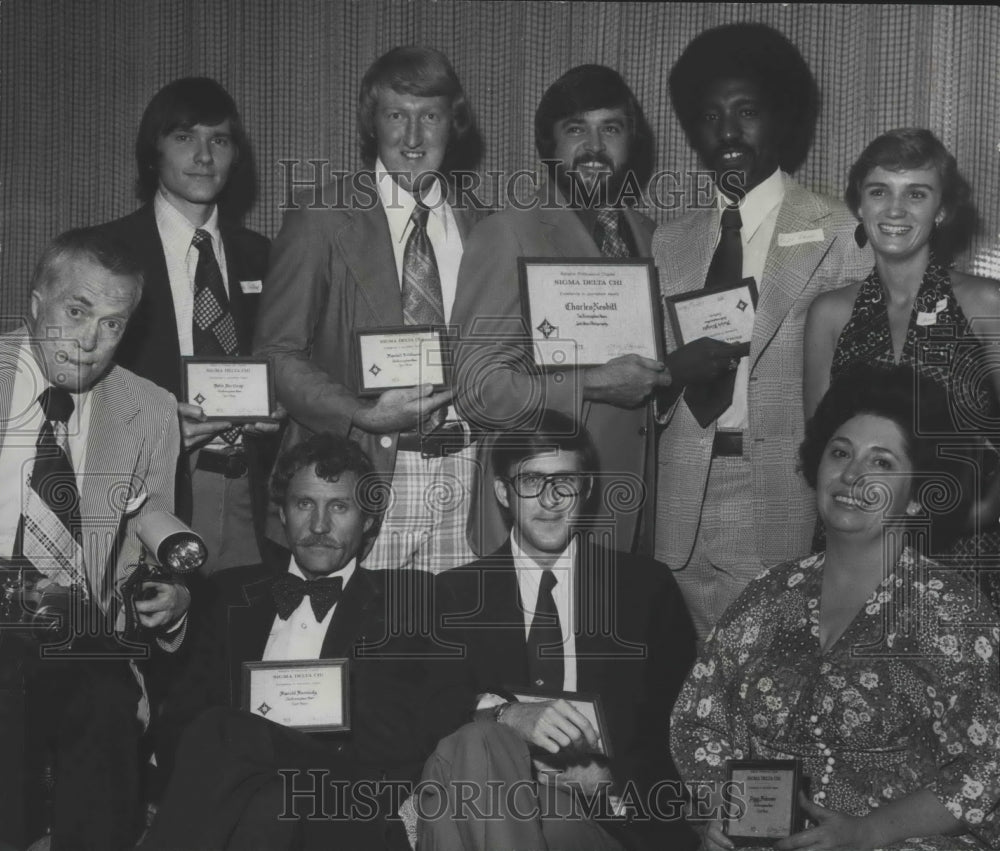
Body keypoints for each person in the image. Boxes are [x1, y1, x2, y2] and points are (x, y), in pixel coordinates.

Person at [671, 365, 1000, 851]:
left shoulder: (953, 612)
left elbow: (989, 766)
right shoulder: (769, 593)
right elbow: (699, 719)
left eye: (882, 463)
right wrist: (728, 808)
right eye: (841, 452)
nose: (852, 475)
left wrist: (867, 832)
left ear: (917, 497)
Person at [140, 433, 473, 850]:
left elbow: (443, 724)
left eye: (339, 507)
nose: (319, 526)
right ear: (281, 512)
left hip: (355, 798)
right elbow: (179, 725)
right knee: (270, 800)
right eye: (304, 504)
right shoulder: (229, 594)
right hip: (253, 794)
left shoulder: (413, 598)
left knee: (228, 731)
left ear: (369, 519)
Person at [653, 23, 872, 640]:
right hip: (680, 505)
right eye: (710, 115)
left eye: (747, 112)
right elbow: (649, 376)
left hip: (781, 499)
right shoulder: (669, 242)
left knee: (767, 689)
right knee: (692, 693)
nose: (727, 133)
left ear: (783, 117)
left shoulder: (841, 234)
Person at [418, 410, 698, 851]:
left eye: (564, 482)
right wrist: (508, 715)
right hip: (494, 797)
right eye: (531, 482)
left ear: (585, 490)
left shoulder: (645, 589)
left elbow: (683, 723)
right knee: (478, 740)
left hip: (609, 819)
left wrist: (609, 783)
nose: (550, 500)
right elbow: (429, 710)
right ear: (502, 492)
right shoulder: (453, 594)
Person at [254, 46, 484, 573]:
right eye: (395, 115)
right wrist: (360, 413)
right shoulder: (320, 219)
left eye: (430, 116)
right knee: (358, 647)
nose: (412, 137)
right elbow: (275, 353)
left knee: (456, 645)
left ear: (455, 122)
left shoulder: (485, 226)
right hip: (360, 472)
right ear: (371, 121)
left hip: (468, 477)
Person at [0, 229, 185, 850]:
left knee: (107, 699)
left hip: (77, 628)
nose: (89, 342)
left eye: (113, 324)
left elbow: (152, 547)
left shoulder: (149, 410)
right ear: (36, 301)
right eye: (76, 312)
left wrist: (172, 596)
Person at [454, 64, 670, 558]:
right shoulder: (506, 233)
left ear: (631, 142)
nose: (594, 147)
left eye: (610, 129)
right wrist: (592, 384)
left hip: (632, 517)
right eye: (576, 129)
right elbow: (476, 388)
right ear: (548, 146)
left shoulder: (656, 236)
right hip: (539, 512)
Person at [803, 128, 1000, 607]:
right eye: (879, 192)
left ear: (943, 209)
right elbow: (820, 451)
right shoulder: (830, 314)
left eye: (916, 194)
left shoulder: (985, 305)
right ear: (859, 206)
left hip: (962, 554)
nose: (894, 211)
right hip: (852, 549)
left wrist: (968, 519)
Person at [93, 77, 278, 573]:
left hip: (251, 494)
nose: (203, 156)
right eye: (184, 138)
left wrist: (283, 405)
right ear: (153, 149)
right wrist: (157, 430)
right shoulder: (103, 255)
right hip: (146, 496)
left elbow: (289, 361)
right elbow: (67, 387)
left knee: (242, 643)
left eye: (218, 140)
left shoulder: (266, 257)